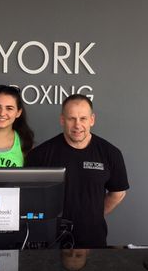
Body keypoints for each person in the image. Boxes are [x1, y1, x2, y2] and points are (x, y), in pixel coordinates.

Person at [26, 94, 129, 248]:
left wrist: (93, 215)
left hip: (93, 240)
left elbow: (118, 193)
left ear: (92, 120)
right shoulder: (40, 155)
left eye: (83, 118)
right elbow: (29, 198)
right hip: (50, 242)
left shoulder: (110, 153)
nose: (77, 125)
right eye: (71, 118)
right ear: (62, 120)